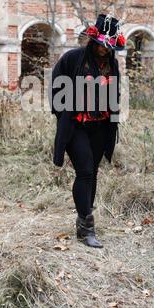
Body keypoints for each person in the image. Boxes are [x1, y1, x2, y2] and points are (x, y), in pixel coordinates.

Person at [50, 14, 126, 248]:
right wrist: (62, 114)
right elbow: (56, 85)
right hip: (76, 125)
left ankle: (82, 218)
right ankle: (87, 228)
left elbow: (114, 92)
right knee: (83, 171)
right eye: (102, 45)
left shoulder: (112, 64)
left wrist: (113, 113)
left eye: (109, 47)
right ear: (94, 41)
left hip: (101, 126)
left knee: (92, 173)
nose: (104, 50)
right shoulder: (74, 58)